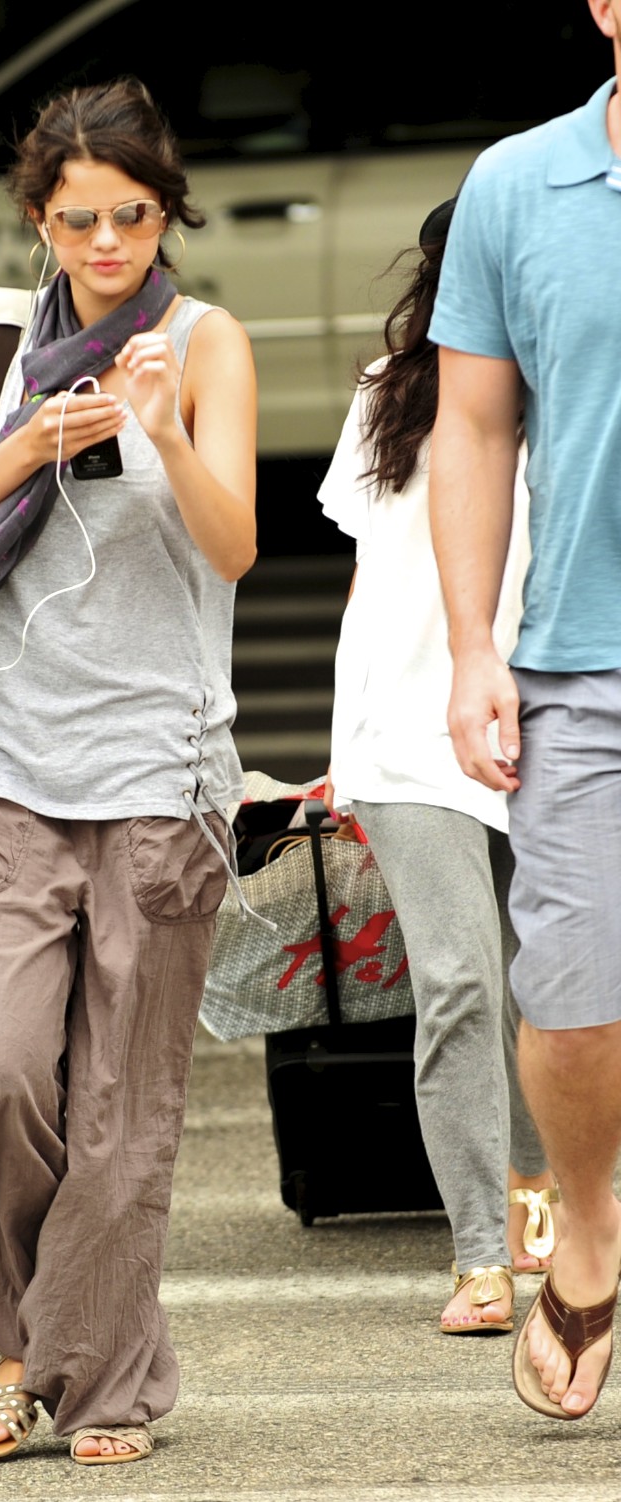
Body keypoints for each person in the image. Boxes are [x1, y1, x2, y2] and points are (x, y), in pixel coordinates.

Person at [0, 78, 256, 1465]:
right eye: (81, 218)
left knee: (119, 1112)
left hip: (162, 770)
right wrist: (25, 449)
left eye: (135, 216)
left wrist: (164, 431)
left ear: (167, 215)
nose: (109, 243)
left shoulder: (206, 341)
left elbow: (235, 547)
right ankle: (22, 1329)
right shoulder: (1, 343)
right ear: (40, 218)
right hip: (7, 761)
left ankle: (89, 1380)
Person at [428, 0, 621, 1420]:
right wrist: (467, 647)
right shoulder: (516, 183)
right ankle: (593, 1217)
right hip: (582, 658)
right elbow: (477, 424)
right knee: (569, 1000)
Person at [322, 200, 555, 1336]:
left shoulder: (585, 381)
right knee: (462, 979)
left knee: (552, 990)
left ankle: (543, 1208)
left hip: (556, 726)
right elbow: (370, 581)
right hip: (411, 735)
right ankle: (480, 1254)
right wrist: (344, 747)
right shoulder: (391, 393)